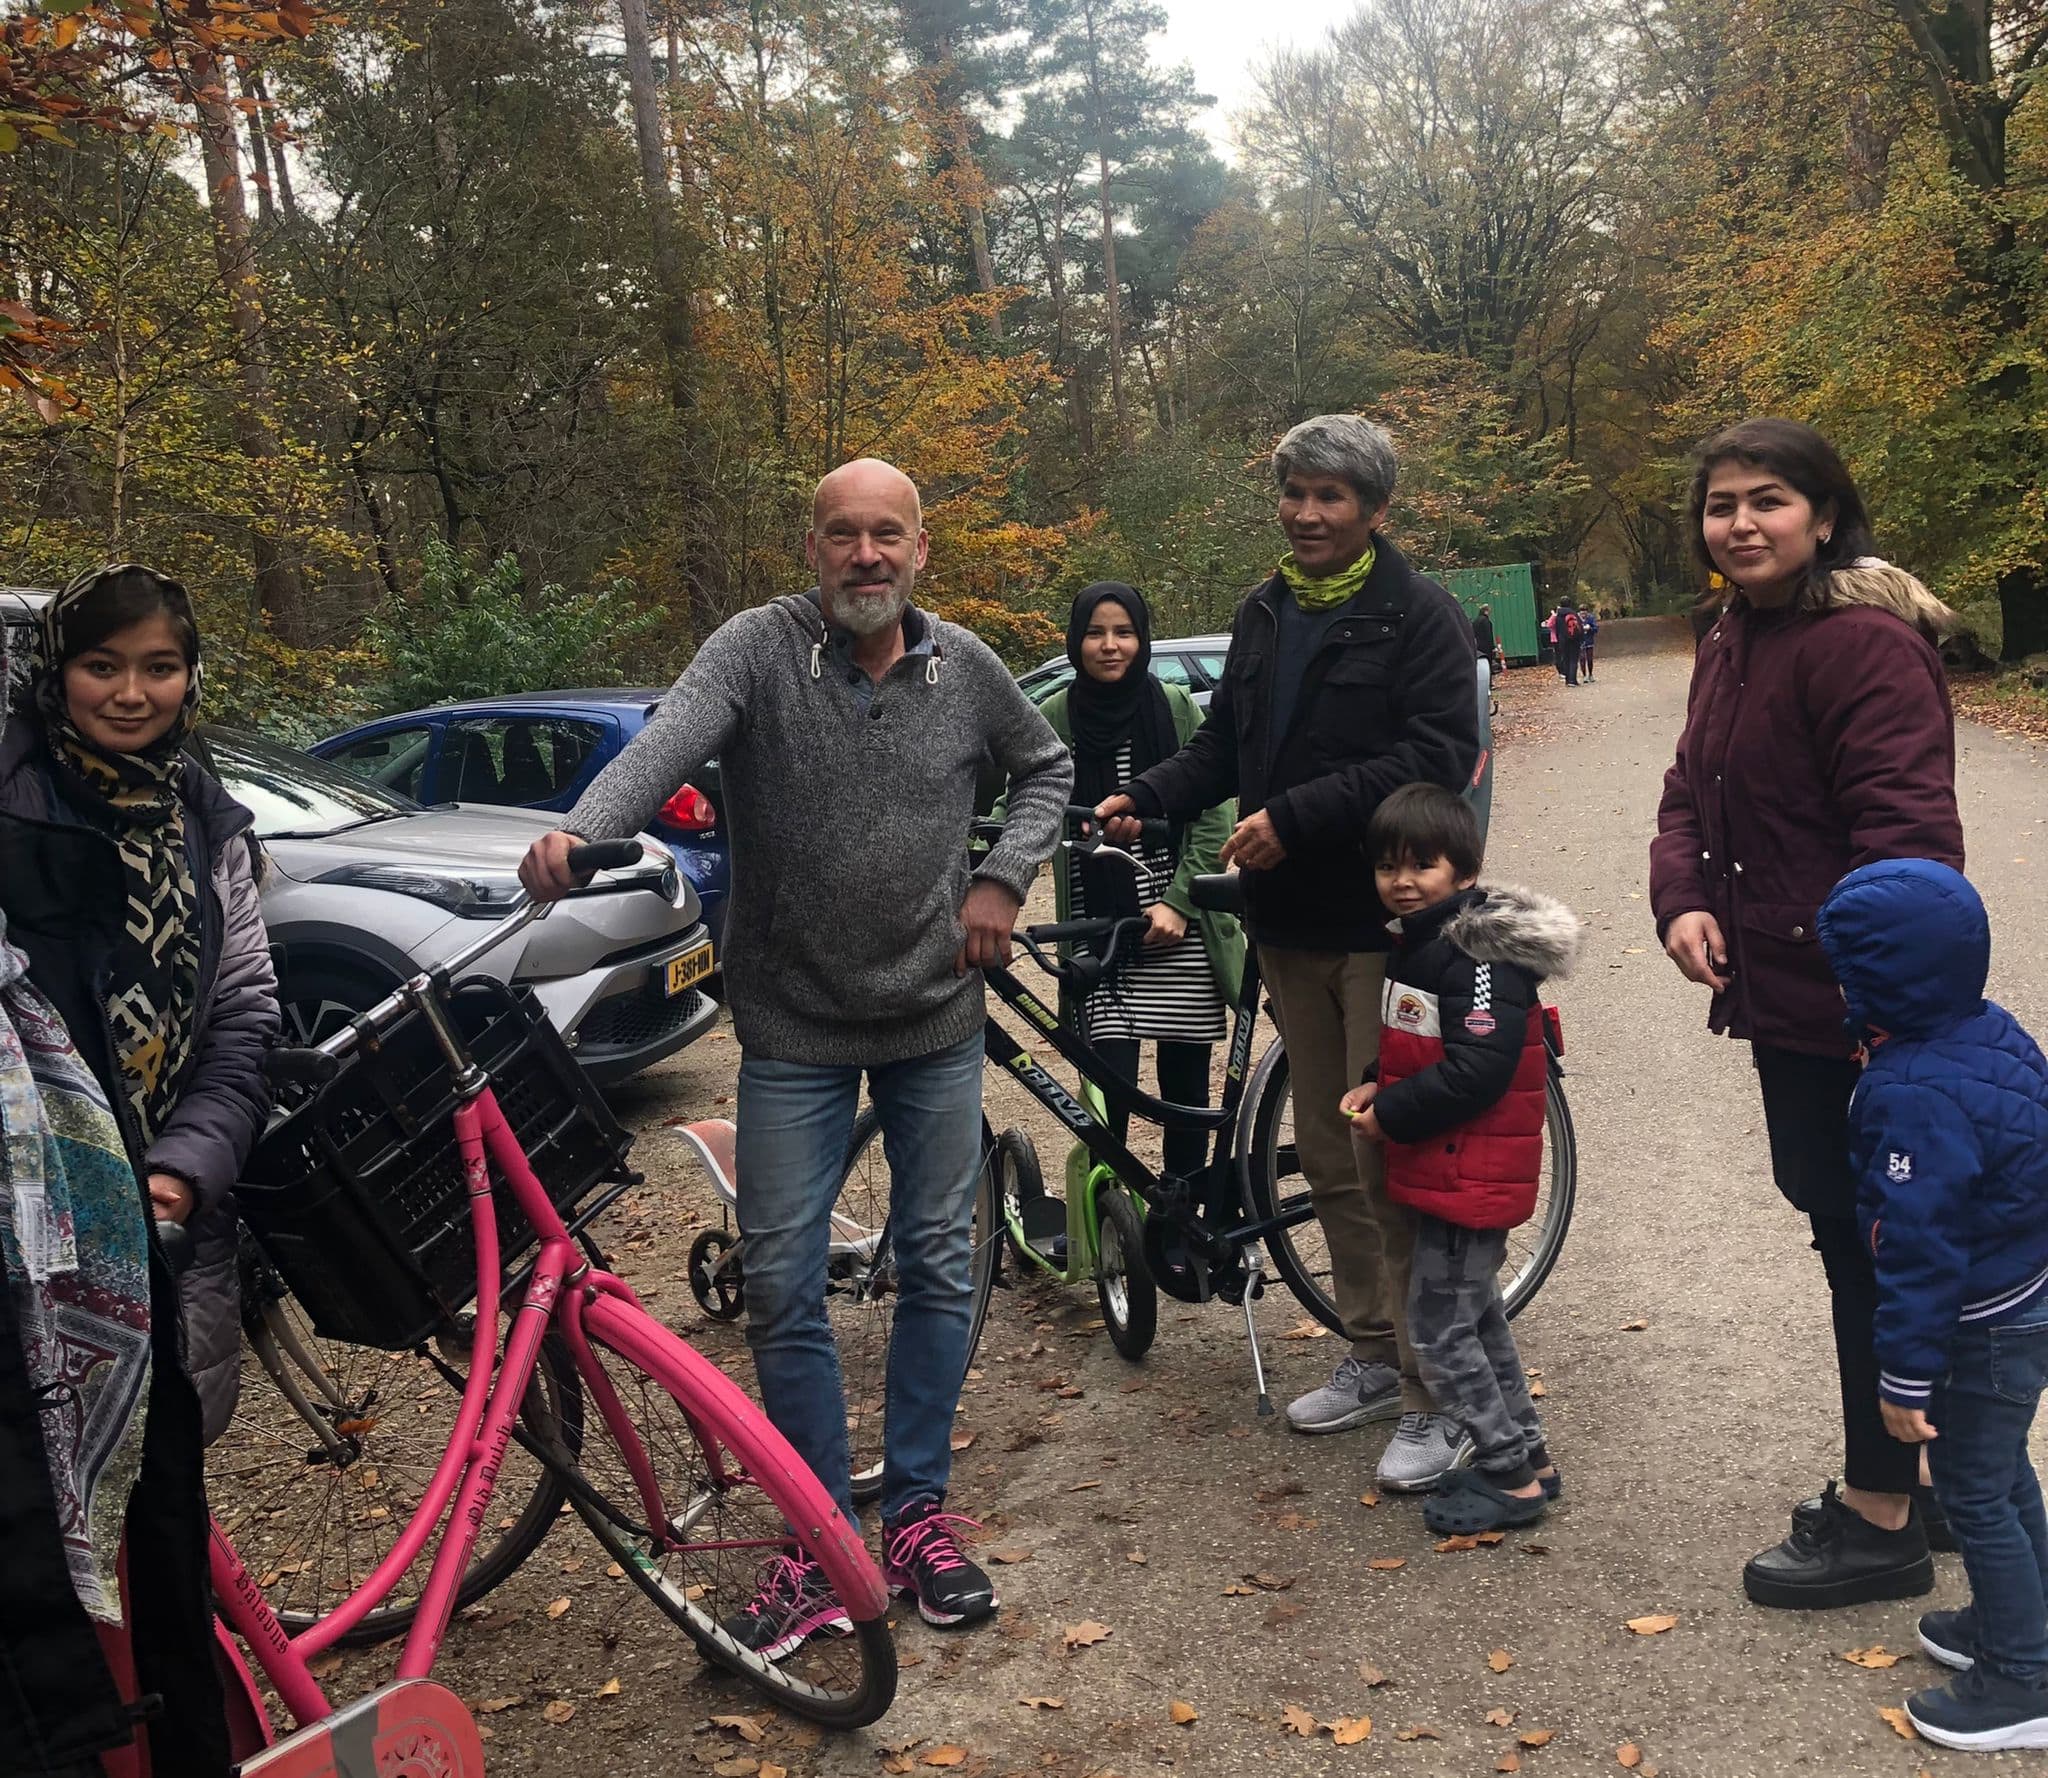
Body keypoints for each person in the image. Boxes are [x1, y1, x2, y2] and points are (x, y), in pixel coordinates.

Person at [518, 459, 1072, 1653]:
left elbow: (1047, 768)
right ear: (811, 547)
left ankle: (915, 1515)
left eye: (886, 534)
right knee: (777, 1279)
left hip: (933, 1015)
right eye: (842, 534)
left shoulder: (965, 666)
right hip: (792, 1023)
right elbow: (664, 745)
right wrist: (582, 829)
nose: (865, 555)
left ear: (919, 548)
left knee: (937, 1260)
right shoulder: (756, 650)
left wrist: (1000, 875)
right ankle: (819, 1536)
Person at [1096, 414, 1481, 1494]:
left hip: (1383, 928)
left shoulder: (1416, 613)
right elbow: (1226, 744)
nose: (1306, 514)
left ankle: (1439, 1394)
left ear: (1374, 508)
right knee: (1328, 1154)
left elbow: (1436, 756)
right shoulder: (1263, 609)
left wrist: (1299, 816)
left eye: (1329, 496)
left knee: (1390, 1157)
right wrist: (1151, 794)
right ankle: (1372, 1351)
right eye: (1294, 493)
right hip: (1287, 927)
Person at [1649, 417, 1964, 1611]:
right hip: (1778, 996)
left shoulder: (1860, 646)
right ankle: (1923, 1477)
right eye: (1719, 503)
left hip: (1858, 1008)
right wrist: (1681, 896)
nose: (1738, 523)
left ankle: (1881, 1515)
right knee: (1848, 1233)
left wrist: (1877, 1012)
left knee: (1870, 1246)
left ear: (1823, 515)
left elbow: (1908, 849)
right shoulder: (1731, 634)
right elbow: (1685, 793)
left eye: (1765, 500)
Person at [0, 564, 280, 1775]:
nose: (131, 692)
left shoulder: (205, 817)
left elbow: (245, 1013)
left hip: (166, 1218)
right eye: (101, 664)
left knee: (160, 1488)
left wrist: (179, 1171)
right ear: (55, 672)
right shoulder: (18, 805)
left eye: (159, 667)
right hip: (36, 1240)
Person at [1816, 859, 2048, 1751]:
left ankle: (2022, 1678)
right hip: (2023, 1292)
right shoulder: (1987, 1028)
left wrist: (1904, 1376)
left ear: (1882, 981)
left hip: (1980, 1323)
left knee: (1974, 1493)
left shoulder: (1911, 1091)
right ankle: (2022, 1621)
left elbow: (1920, 1246)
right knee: (2003, 1472)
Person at [1340, 784, 1577, 1532]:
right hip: (1448, 1166)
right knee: (1476, 1319)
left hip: (1468, 1171)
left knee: (1440, 1333)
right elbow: (1420, 1044)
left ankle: (1508, 1474)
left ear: (1465, 871)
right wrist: (1378, 1083)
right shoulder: (1419, 943)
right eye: (1388, 866)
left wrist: (1393, 1114)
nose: (1402, 881)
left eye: (1422, 865)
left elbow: (1477, 1069)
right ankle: (1528, 1459)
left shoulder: (1475, 956)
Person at [995, 582, 1244, 1181]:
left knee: (1186, 1091)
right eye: (1095, 633)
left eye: (1124, 632)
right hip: (1096, 923)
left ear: (1143, 639)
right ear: (1074, 641)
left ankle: (1181, 1210)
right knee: (1106, 1091)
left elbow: (1214, 810)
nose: (1110, 646)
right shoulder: (1054, 716)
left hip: (1178, 923)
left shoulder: (1176, 706)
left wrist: (1179, 903)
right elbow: (1023, 800)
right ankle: (1114, 1213)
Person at [1471, 604, 1498, 670]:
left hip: (1478, 646)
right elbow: (1488, 635)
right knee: (1488, 663)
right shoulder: (1486, 621)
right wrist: (1492, 647)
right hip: (1486, 646)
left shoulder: (1476, 621)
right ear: (1485, 611)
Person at [1578, 606, 1598, 682]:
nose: (1583, 615)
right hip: (1580, 641)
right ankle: (1584, 675)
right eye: (1582, 613)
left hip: (1589, 641)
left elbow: (1596, 628)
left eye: (1585, 613)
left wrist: (1590, 628)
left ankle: (1590, 674)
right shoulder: (1577, 618)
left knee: (1590, 659)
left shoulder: (1591, 618)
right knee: (1582, 658)